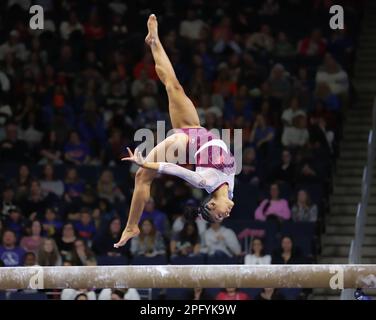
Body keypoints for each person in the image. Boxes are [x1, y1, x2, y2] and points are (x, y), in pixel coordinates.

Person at [114, 15, 236, 248]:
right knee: (173, 85)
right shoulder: (229, 194)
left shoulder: (205, 181)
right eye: (222, 217)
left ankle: (131, 226)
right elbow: (218, 202)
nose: (226, 215)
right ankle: (154, 41)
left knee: (143, 176)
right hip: (197, 130)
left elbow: (173, 169)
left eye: (220, 215)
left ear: (211, 204)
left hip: (186, 142)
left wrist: (145, 163)